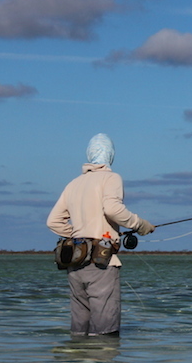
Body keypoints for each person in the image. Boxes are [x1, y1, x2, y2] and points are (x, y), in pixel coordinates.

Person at [47, 133, 154, 336]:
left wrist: (80, 236)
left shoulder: (73, 184)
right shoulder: (111, 178)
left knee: (79, 329)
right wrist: (141, 225)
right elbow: (113, 210)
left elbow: (52, 221)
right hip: (100, 263)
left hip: (75, 264)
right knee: (105, 331)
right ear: (111, 155)